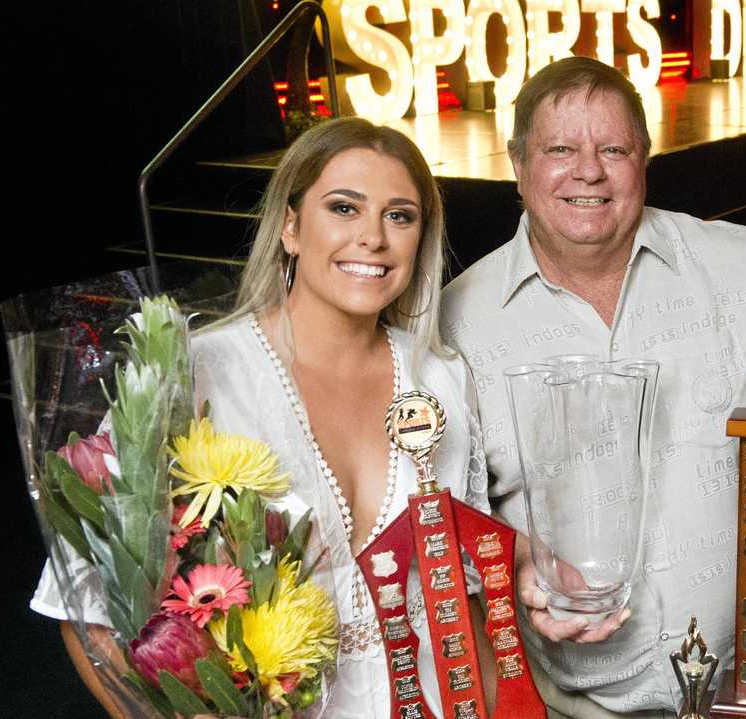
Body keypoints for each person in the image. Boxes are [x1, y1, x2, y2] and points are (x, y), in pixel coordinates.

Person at [31, 117, 493, 718]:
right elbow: (86, 604)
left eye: (399, 215)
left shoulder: (440, 379)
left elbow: (466, 597)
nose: (374, 238)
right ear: (291, 228)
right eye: (344, 208)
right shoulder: (193, 374)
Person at [441, 57, 746, 717]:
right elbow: (444, 515)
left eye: (612, 149)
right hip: (570, 704)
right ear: (516, 162)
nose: (587, 170)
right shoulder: (457, 325)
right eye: (560, 149)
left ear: (645, 158)